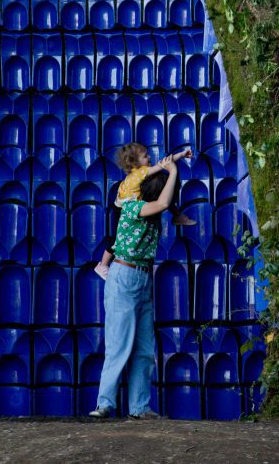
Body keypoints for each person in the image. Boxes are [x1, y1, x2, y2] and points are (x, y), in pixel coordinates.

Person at [88, 156, 178, 419]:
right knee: (118, 344)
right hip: (124, 276)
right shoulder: (133, 208)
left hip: (143, 278)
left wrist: (171, 162)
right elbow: (163, 201)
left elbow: (168, 204)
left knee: (144, 347)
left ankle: (139, 407)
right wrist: (171, 168)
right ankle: (105, 403)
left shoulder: (154, 215)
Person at [94, 142, 195, 280]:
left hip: (123, 204)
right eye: (145, 156)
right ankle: (102, 265)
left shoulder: (134, 173)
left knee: (164, 192)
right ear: (134, 162)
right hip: (122, 208)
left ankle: (177, 215)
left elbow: (163, 163)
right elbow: (164, 164)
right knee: (116, 240)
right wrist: (180, 158)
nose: (149, 158)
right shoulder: (141, 172)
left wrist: (182, 155)